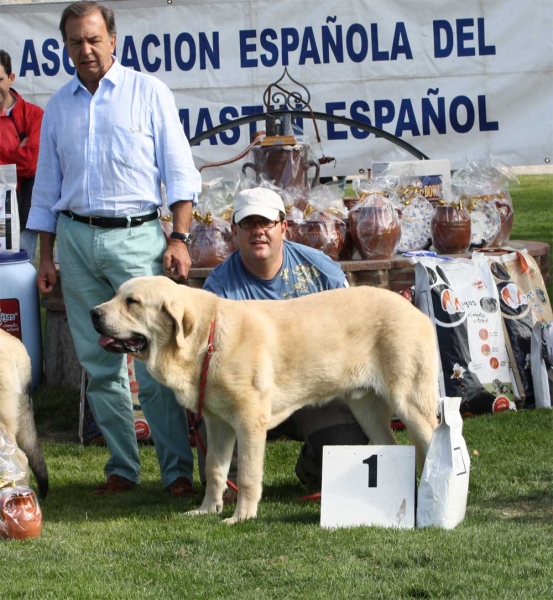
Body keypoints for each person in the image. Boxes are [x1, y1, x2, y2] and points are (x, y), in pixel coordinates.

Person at [26, 1, 202, 496]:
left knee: (156, 361)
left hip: (136, 237)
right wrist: (47, 257)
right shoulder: (58, 105)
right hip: (76, 240)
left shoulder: (148, 92)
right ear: (65, 48)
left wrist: (179, 238)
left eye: (93, 38)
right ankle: (122, 469)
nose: (86, 49)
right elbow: (46, 187)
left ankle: (177, 474)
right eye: (76, 42)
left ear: (113, 40)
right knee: (98, 362)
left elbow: (179, 172)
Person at [200, 187, 368, 496]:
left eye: (266, 223)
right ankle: (230, 484)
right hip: (245, 395)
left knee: (347, 444)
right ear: (234, 232)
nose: (258, 232)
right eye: (248, 224)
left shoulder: (321, 269)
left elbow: (353, 323)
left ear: (283, 227)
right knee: (226, 488)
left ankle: (312, 468)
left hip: (310, 390)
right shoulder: (219, 286)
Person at [0, 49, 43, 262]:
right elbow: (21, 160)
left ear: (11, 78)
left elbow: (30, 164)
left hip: (21, 213)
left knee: (18, 275)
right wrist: (15, 153)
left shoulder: (34, 115)